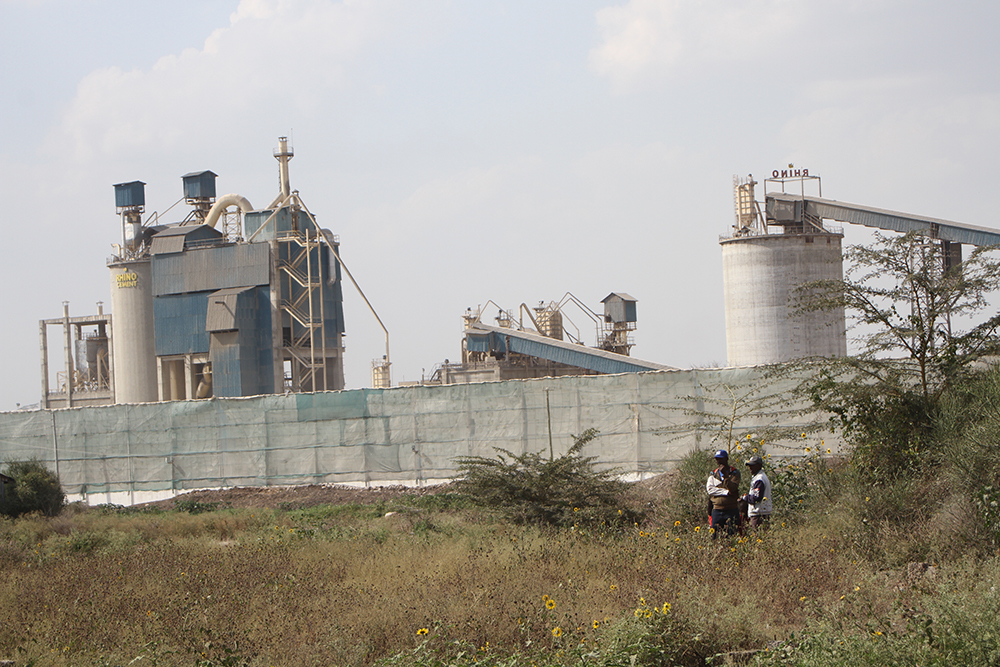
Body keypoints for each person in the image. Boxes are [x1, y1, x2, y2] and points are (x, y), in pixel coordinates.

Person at [706, 449, 741, 537]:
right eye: (717, 459)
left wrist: (726, 476)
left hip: (731, 510)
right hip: (717, 510)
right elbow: (710, 490)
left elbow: (733, 488)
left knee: (732, 535)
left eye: (721, 459)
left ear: (726, 459)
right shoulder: (713, 474)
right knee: (715, 535)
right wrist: (726, 492)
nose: (719, 461)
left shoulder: (734, 473)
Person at [741, 454, 772, 530]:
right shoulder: (759, 476)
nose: (750, 468)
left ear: (759, 465)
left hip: (758, 513)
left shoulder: (759, 479)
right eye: (749, 466)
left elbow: (756, 498)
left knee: (757, 536)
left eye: (753, 465)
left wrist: (745, 497)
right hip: (762, 512)